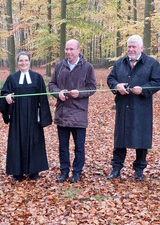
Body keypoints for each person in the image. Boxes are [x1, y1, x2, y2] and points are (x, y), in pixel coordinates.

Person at [107, 35, 160, 181]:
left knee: (141, 139)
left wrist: (143, 89)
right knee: (120, 139)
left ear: (141, 48)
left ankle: (139, 170)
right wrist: (116, 86)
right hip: (123, 107)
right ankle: (116, 168)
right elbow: (111, 79)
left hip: (141, 108)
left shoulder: (151, 63)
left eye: (134, 47)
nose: (131, 49)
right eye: (129, 47)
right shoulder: (120, 63)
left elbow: (157, 82)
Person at [48, 39, 96, 184]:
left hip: (79, 113)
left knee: (79, 147)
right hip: (62, 113)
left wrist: (79, 93)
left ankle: (77, 172)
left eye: (71, 49)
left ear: (78, 50)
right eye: (66, 49)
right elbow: (51, 84)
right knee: (63, 146)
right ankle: (64, 172)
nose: (68, 52)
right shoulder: (59, 66)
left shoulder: (87, 67)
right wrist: (58, 93)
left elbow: (92, 87)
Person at [0, 51, 52, 182]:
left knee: (35, 141)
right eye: (21, 61)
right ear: (18, 62)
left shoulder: (37, 78)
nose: (23, 63)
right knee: (17, 142)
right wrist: (7, 97)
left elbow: (43, 98)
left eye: (26, 60)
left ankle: (34, 171)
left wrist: (43, 118)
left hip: (33, 116)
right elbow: (4, 93)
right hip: (18, 117)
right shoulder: (12, 78)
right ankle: (17, 173)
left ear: (30, 62)